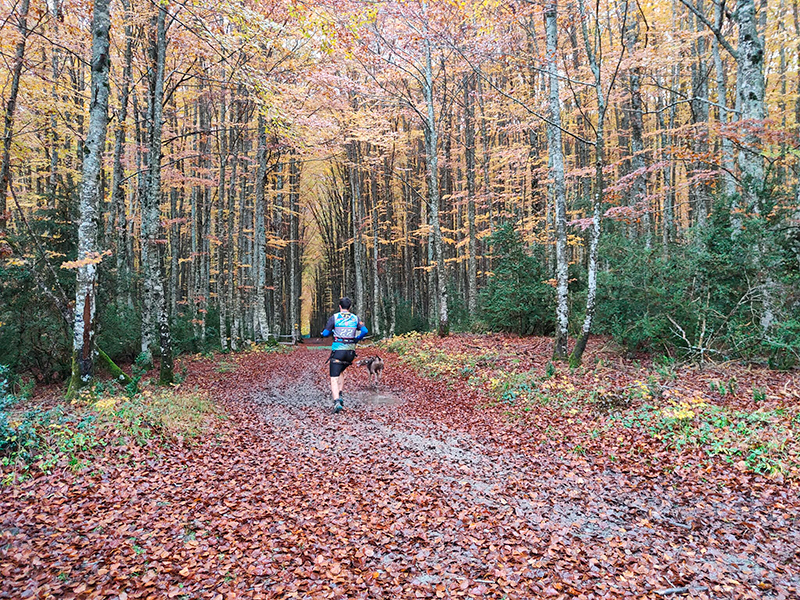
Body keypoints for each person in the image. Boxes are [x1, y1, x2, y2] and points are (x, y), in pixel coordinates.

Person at [320, 297, 368, 413]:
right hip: (350, 352)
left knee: (333, 378)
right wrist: (356, 339)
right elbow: (365, 331)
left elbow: (326, 333)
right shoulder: (355, 318)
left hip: (338, 351)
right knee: (341, 370)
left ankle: (336, 402)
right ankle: (340, 394)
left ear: (340, 306)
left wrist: (324, 333)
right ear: (350, 307)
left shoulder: (335, 317)